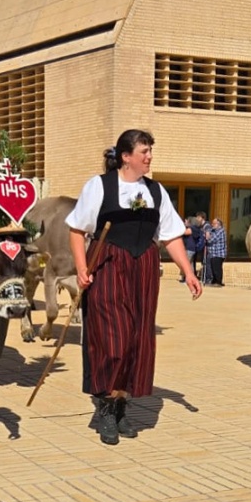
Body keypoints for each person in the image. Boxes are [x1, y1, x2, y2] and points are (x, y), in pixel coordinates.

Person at [66, 129, 203, 445]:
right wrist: (82, 269)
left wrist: (188, 272)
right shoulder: (100, 186)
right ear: (126, 156)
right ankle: (106, 408)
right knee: (111, 339)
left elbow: (170, 235)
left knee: (137, 340)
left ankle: (121, 405)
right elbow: (76, 230)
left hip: (143, 268)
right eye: (144, 150)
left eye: (151, 150)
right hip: (108, 265)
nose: (149, 156)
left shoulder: (156, 191)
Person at [205, 217, 227, 286]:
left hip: (218, 253)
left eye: (214, 223)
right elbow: (206, 235)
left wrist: (208, 235)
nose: (212, 225)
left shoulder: (221, 231)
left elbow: (210, 239)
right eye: (212, 223)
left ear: (219, 224)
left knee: (217, 268)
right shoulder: (214, 230)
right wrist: (207, 233)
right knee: (213, 268)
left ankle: (218, 282)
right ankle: (214, 281)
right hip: (213, 254)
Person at [180, 217, 202, 282]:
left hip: (189, 248)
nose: (185, 222)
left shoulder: (192, 228)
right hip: (192, 249)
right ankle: (191, 277)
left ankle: (185, 277)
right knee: (190, 264)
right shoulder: (196, 229)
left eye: (187, 221)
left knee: (185, 263)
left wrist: (181, 227)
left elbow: (184, 232)